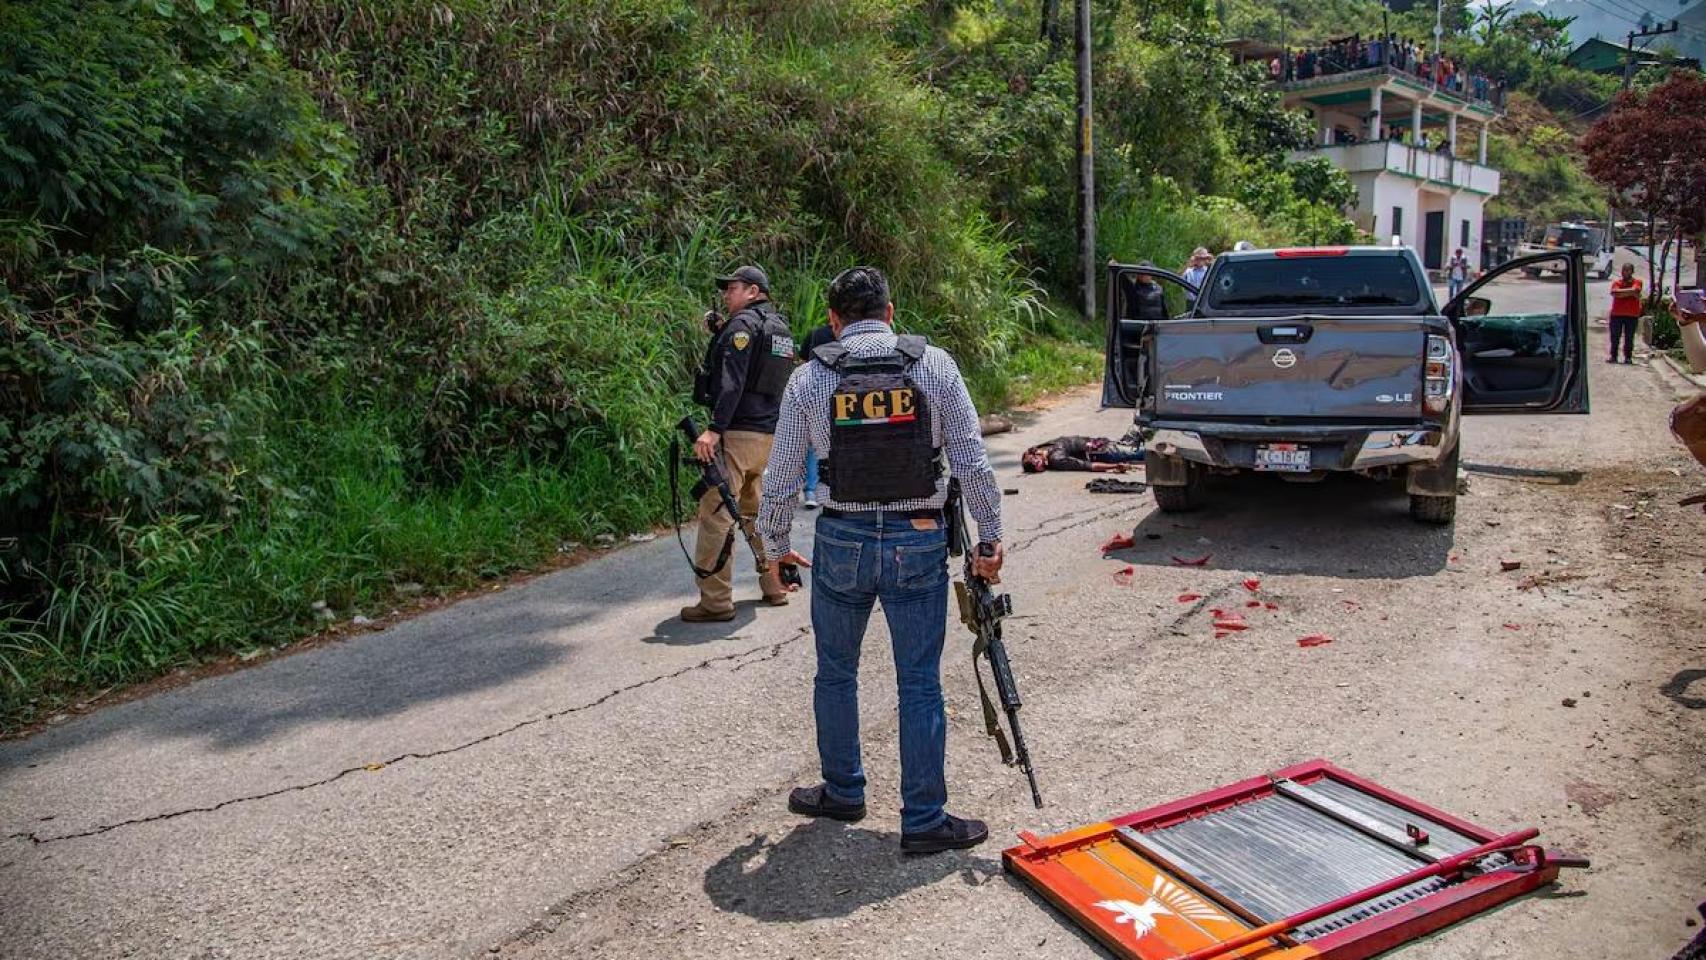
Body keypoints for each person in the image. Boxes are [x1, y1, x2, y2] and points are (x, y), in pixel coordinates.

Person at [757, 266, 1004, 854]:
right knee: (919, 682)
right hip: (917, 539)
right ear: (891, 314)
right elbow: (973, 462)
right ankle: (923, 821)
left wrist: (773, 546)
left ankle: (843, 791)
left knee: (834, 672)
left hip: (840, 541)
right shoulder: (934, 366)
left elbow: (783, 475)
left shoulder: (810, 379)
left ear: (835, 322)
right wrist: (989, 542)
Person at [682, 265, 796, 622]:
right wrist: (722, 329)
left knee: (716, 513)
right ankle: (775, 586)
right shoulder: (779, 328)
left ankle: (715, 602)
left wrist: (714, 429)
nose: (725, 295)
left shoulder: (742, 327)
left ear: (752, 291)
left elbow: (732, 382)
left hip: (738, 434)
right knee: (755, 513)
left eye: (731, 289)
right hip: (769, 435)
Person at [799, 322, 837, 509]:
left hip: (815, 392)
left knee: (814, 443)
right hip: (844, 392)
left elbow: (802, 361)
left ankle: (811, 490)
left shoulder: (815, 333)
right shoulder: (851, 336)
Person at [1021, 435, 1145, 473]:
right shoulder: (1057, 459)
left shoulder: (1045, 447)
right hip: (1106, 453)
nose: (1034, 454)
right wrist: (1115, 466)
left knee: (1142, 446)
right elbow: (1088, 466)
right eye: (1036, 463)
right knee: (1143, 452)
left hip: (1101, 443)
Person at [1608, 263, 1643, 364]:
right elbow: (1614, 293)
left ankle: (1628, 357)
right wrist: (1631, 293)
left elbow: (1636, 290)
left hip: (1632, 314)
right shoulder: (1617, 282)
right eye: (1624, 270)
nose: (1626, 272)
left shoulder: (1637, 282)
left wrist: (1622, 293)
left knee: (1629, 337)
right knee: (1614, 336)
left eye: (1628, 270)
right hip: (1617, 314)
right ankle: (1613, 356)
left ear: (1632, 271)